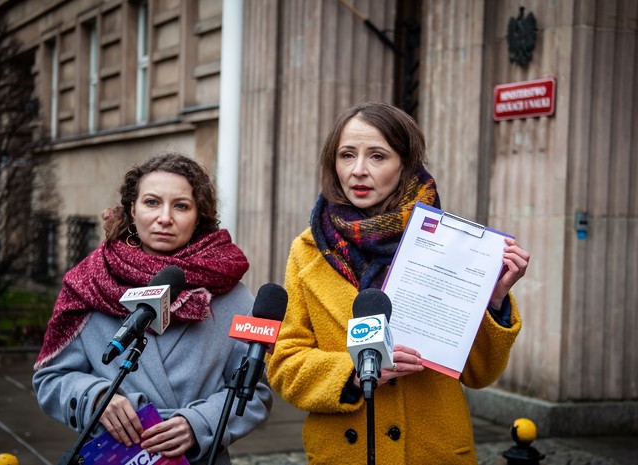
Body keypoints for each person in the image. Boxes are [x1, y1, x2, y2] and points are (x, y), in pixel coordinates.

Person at [267, 102, 530, 464]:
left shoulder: (451, 246)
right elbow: (284, 363)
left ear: (405, 165)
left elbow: (479, 373)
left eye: (377, 156)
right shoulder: (308, 249)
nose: (358, 170)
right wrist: (353, 373)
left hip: (431, 452)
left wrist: (494, 300)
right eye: (347, 155)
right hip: (344, 453)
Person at [33, 152, 272, 465]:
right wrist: (95, 398)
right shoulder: (90, 284)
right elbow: (51, 379)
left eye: (181, 206)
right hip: (115, 456)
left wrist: (200, 424)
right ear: (132, 210)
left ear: (199, 216)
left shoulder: (233, 296)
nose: (165, 217)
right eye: (151, 202)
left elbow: (254, 392)